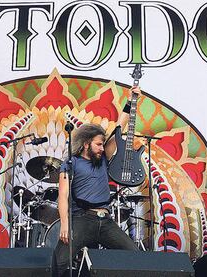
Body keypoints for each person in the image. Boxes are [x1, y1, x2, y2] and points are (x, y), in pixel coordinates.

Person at [54, 86, 142, 276]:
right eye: (99, 144)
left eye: (103, 144)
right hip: (81, 220)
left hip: (105, 220)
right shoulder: (70, 163)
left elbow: (120, 126)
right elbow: (63, 195)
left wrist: (131, 102)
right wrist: (64, 224)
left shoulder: (103, 159)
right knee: (60, 261)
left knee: (134, 254)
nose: (102, 148)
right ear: (86, 144)